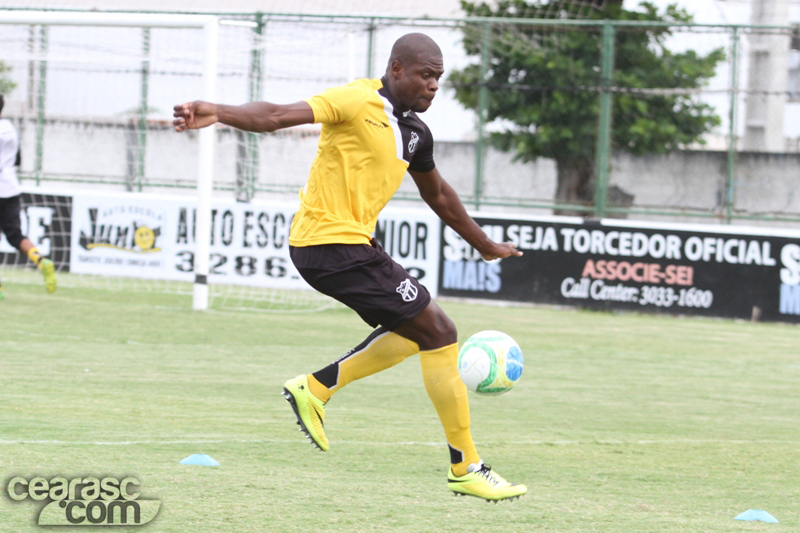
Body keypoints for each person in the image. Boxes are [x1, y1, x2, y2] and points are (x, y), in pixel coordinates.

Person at [173, 33, 526, 501]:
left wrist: (484, 244)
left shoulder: (416, 133)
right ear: (396, 68)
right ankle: (466, 466)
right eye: (425, 74)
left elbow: (437, 194)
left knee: (417, 333)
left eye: (439, 78)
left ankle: (316, 388)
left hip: (349, 247)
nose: (433, 85)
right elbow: (278, 115)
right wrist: (219, 111)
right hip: (329, 244)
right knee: (440, 330)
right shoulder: (356, 100)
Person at [0, 94, 56, 299]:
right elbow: (17, 159)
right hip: (10, 188)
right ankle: (41, 261)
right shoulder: (10, 128)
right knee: (15, 235)